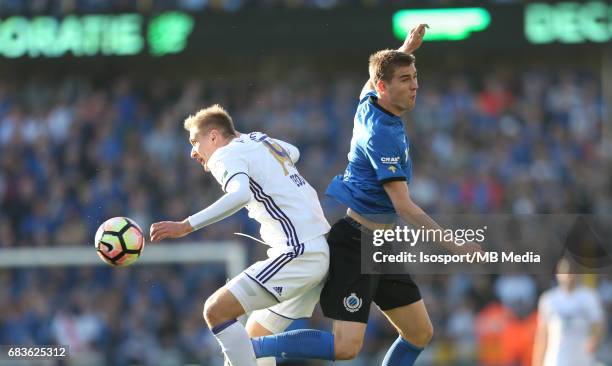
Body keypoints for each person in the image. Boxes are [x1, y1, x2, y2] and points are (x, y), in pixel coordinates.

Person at [251, 23, 477, 365]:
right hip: (356, 246)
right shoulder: (381, 136)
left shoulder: (371, 103)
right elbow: (403, 204)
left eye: (415, 76)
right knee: (346, 347)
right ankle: (251, 349)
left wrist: (406, 48)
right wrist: (453, 244)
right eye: (405, 80)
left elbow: (369, 82)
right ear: (386, 87)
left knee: (419, 333)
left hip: (381, 246)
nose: (415, 85)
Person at [149, 104, 331, 366]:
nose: (192, 152)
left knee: (216, 311)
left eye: (194, 141)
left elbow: (240, 194)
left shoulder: (224, 155)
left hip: (297, 252)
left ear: (213, 136)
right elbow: (294, 152)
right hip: (314, 250)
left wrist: (185, 225)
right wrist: (245, 142)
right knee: (252, 346)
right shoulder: (258, 140)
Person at [531, 258, 605, 366]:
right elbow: (542, 335)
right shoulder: (548, 299)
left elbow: (598, 325)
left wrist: (595, 339)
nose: (569, 276)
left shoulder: (589, 297)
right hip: (556, 360)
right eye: (566, 272)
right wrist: (537, 362)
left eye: (572, 271)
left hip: (582, 360)